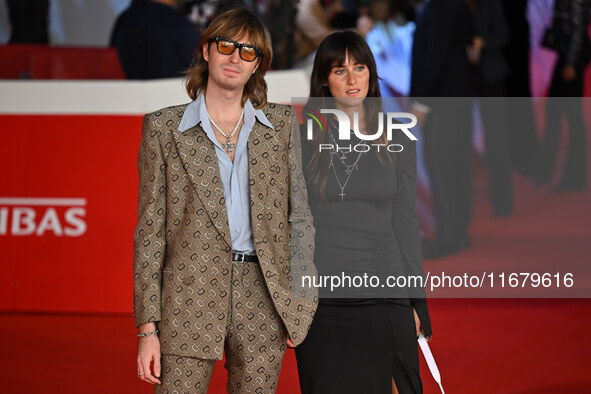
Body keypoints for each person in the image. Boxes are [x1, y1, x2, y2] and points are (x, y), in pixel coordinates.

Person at [133, 7, 317, 393]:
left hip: (264, 295)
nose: (235, 57)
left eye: (248, 52)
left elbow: (299, 218)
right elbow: (150, 234)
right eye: (226, 46)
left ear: (258, 67)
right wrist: (147, 328)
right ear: (206, 51)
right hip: (188, 294)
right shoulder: (164, 128)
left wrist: (300, 302)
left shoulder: (281, 127)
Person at [295, 31, 432, 394]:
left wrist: (416, 300)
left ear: (372, 73)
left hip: (385, 291)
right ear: (324, 78)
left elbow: (406, 222)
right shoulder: (302, 139)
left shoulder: (397, 138)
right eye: (340, 70)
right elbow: (291, 225)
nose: (353, 78)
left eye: (360, 67)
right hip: (321, 301)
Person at [410, 0, 473, 258]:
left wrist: (422, 101)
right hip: (455, 96)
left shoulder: (440, 5)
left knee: (441, 165)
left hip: (442, 99)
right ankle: (457, 232)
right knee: (455, 165)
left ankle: (449, 236)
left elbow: (436, 52)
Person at [528, 0, 590, 191]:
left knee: (572, 117)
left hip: (572, 59)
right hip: (567, 56)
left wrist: (571, 62)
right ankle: (545, 171)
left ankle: (575, 176)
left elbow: (579, 29)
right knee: (555, 113)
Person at [467, 0, 514, 217]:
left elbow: (503, 34)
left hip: (491, 76)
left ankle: (502, 201)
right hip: (463, 79)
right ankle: (462, 205)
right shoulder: (451, 7)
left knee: (497, 139)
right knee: (461, 141)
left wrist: (483, 42)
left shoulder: (490, 3)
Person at [110, 0, 200, 79]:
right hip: (172, 93)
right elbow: (199, 66)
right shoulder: (176, 22)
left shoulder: (123, 20)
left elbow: (111, 61)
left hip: (129, 94)